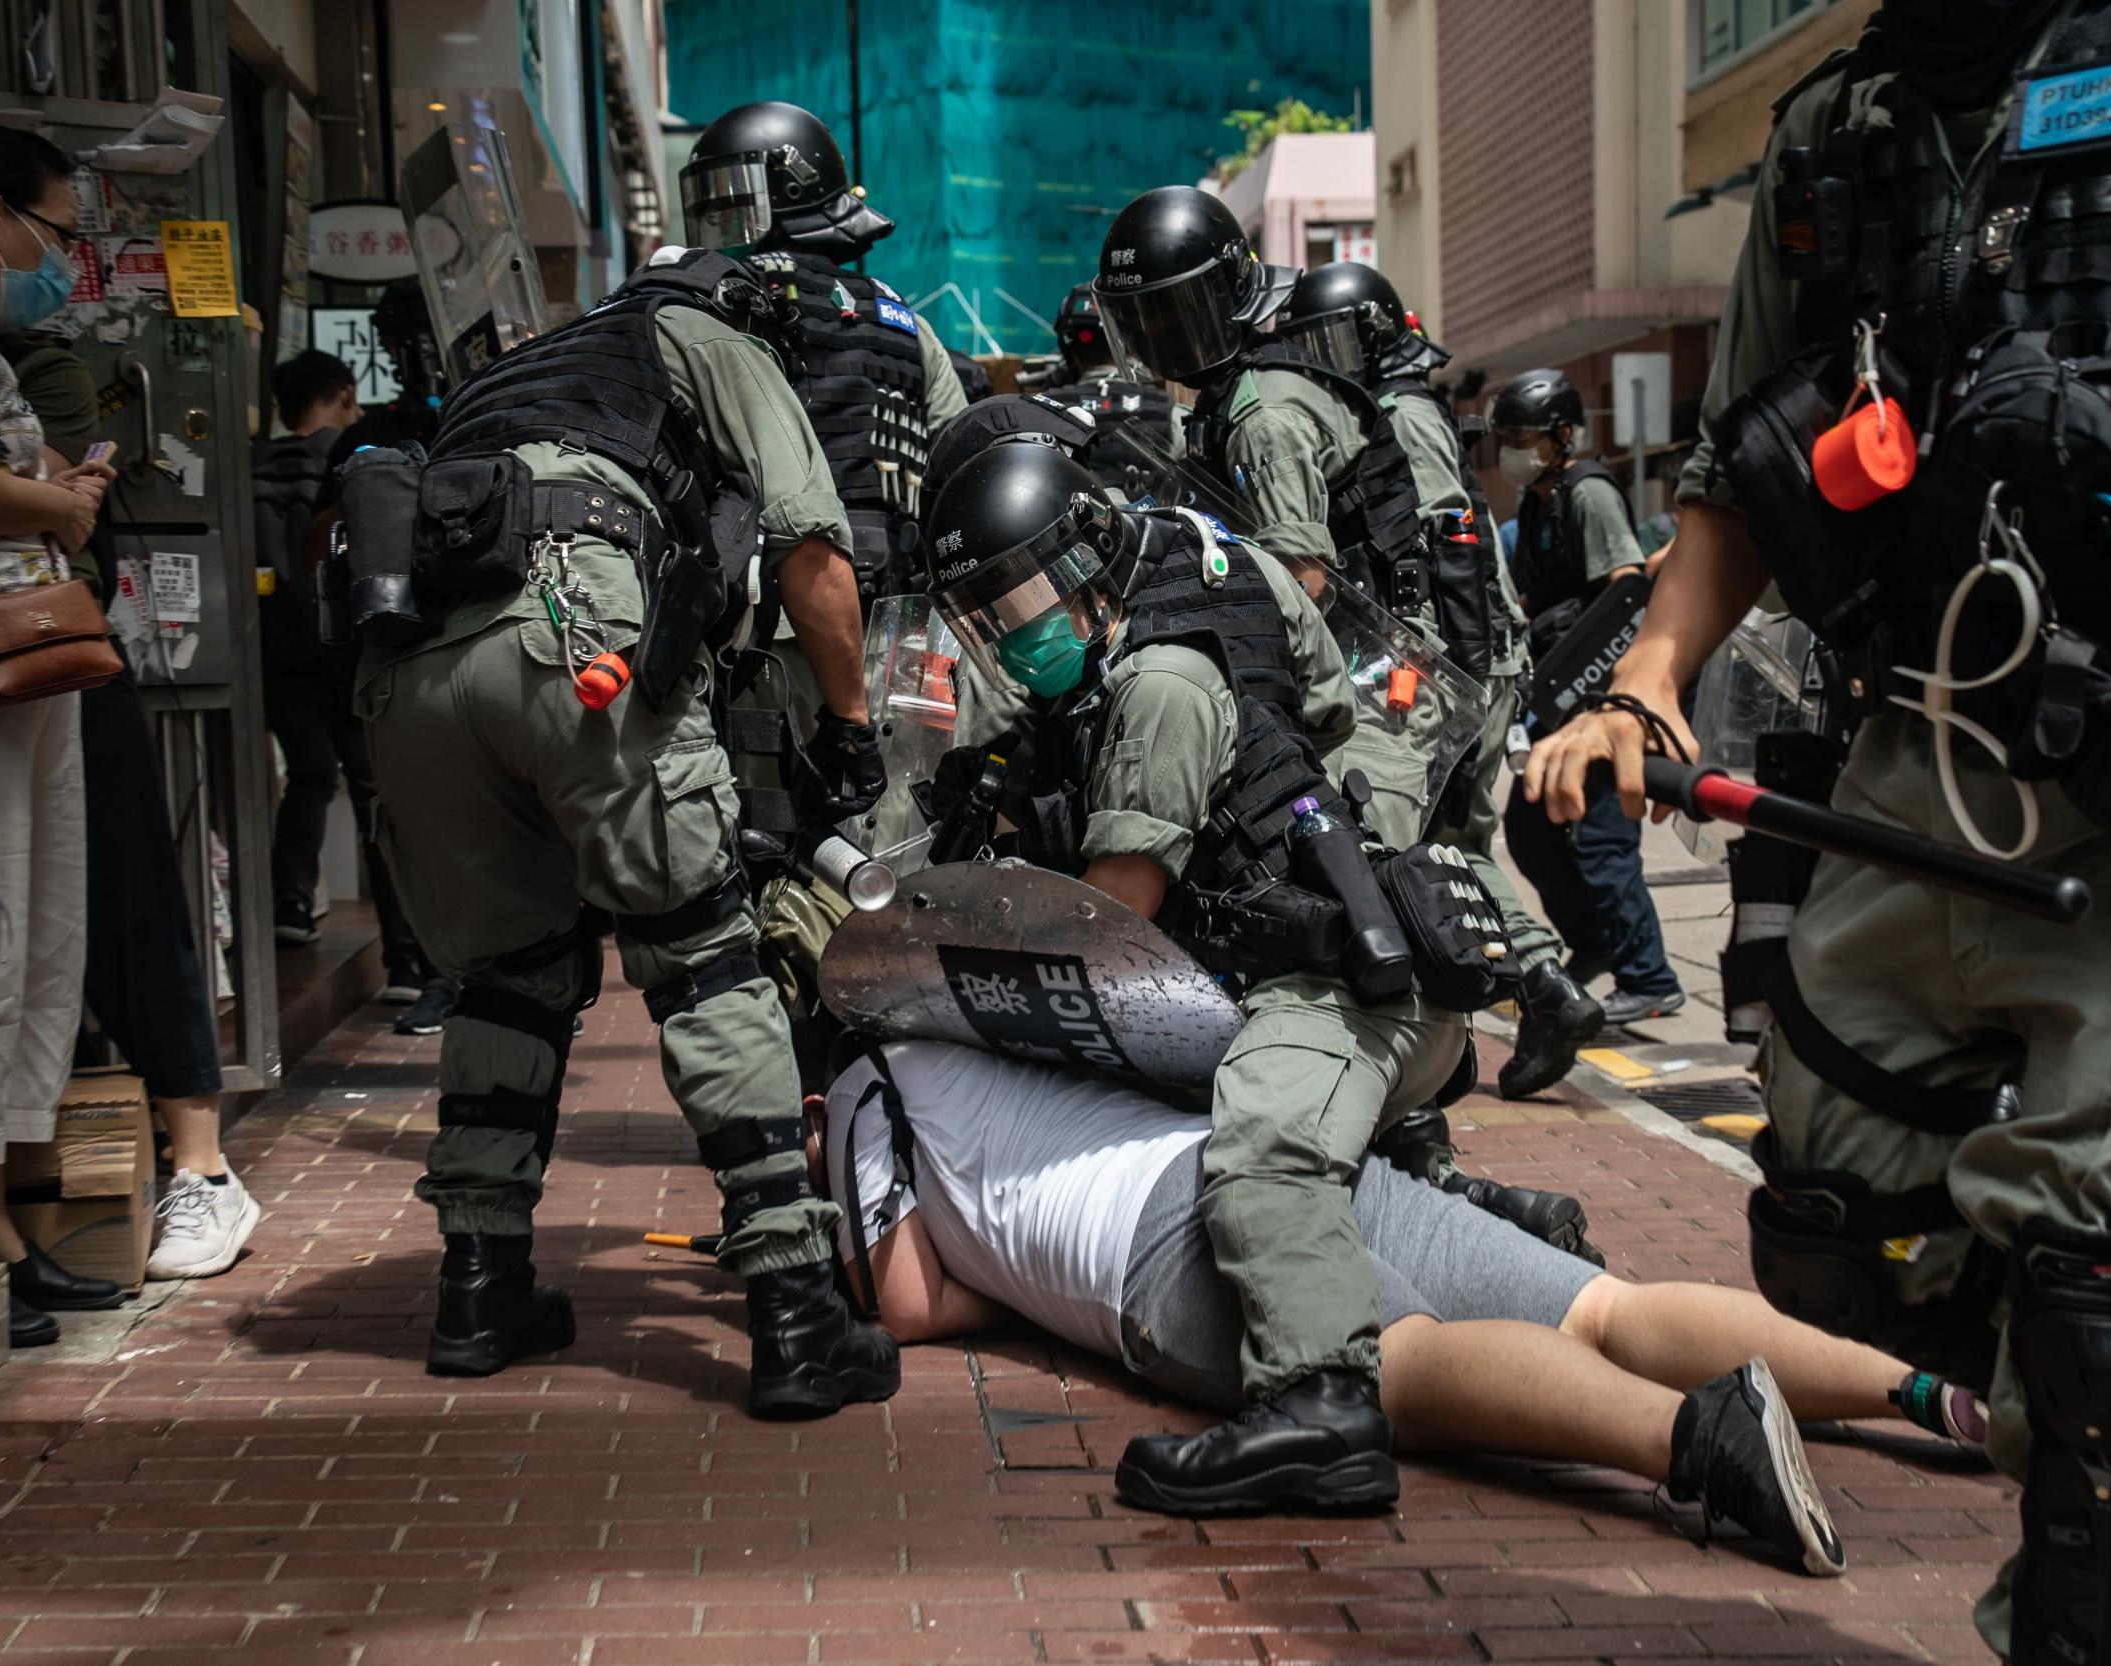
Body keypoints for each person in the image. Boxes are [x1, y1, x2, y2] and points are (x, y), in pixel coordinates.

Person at [1518, 3, 2111, 1658]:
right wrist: (1651, 676)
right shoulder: (1832, 128)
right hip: (1899, 758)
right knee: (1834, 1252)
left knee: (2107, 1291)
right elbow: (1740, 464)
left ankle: (2109, 1535)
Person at [356, 244, 897, 1417]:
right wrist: (853, 728)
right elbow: (812, 548)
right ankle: (798, 1314)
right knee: (704, 954)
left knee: (509, 975)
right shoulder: (704, 337)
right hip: (569, 630)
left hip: (411, 683)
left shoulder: (520, 371)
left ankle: (479, 1285)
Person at [820, 1038, 1990, 1565]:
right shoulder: (1006, 1005)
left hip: (1155, 1243)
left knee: (1399, 1359)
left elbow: (907, 1299)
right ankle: (1918, 1392)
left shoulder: (866, 1081)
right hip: (1281, 1147)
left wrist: (999, 1277)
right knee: (1601, 1309)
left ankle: (1697, 1439)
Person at [922, 441, 1483, 1515]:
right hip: (1300, 961)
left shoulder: (1161, 683)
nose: (1014, 630)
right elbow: (1323, 698)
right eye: (988, 614)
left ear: (1088, 561)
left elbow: (1111, 916)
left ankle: (1320, 1403)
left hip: (1327, 977)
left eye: (1026, 597)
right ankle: (1457, 1191)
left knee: (1259, 1150)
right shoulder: (1206, 569)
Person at [1092, 188, 1608, 1102]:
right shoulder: (1240, 395)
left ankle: (1423, 1118)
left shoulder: (1261, 410)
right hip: (1389, 668)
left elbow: (1303, 576)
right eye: (1146, 321)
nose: (1167, 339)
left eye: (1182, 314)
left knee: (1372, 883)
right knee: (1434, 861)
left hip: (1376, 680)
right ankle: (1536, 991)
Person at [678, 100, 969, 1004]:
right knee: (892, 852)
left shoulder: (711, 309)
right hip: (904, 638)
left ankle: (794, 1068)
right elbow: (961, 463)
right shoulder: (903, 322)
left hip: (769, 638)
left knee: (764, 856)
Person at [0, 331, 259, 1282]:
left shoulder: (29, 360)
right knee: (3, 928)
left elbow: (66, 506)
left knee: (125, 900)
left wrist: (23, 493)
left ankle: (202, 1165)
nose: (54, 256)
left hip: (48, 651)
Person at [0, 125, 124, 1345]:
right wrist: (55, 499)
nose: (61, 261)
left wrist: (58, 489)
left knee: (33, 923)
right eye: (57, 234)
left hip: (23, 658)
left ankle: (2, 1219)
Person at [1491, 367, 1684, 1034]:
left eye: (1524, 437)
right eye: (1506, 437)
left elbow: (1624, 594)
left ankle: (1651, 979)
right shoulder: (1538, 505)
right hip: (1556, 703)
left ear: (1562, 436)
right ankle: (1596, 942)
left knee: (1603, 845)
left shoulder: (1589, 494)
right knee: (1531, 829)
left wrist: (1602, 695)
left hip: (1598, 702)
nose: (1512, 448)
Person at [260, 351, 430, 1031]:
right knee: (374, 797)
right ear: (341, 394)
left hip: (274, 658)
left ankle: (289, 907)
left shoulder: (251, 465)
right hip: (346, 652)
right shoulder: (354, 452)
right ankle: (408, 962)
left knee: (306, 778)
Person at [314, 282, 454, 1035]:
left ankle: (482, 968)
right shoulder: (365, 440)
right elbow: (319, 545)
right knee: (397, 815)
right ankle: (423, 967)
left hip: (473, 646)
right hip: (391, 656)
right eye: (407, 339)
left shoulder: (489, 413)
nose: (419, 355)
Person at [1034, 280, 1183, 496]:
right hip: (1150, 528)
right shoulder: (1168, 412)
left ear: (1069, 347)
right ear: (1127, 341)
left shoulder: (1040, 411)